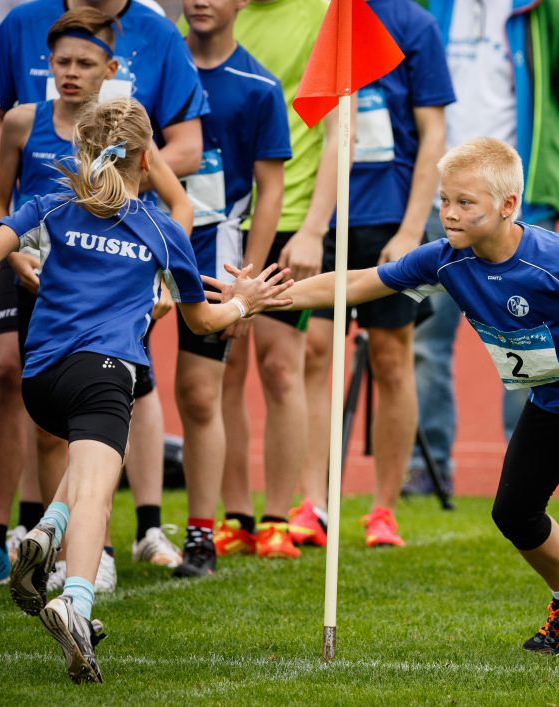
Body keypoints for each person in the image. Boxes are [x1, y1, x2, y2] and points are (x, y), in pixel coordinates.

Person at [225, 136, 559, 670]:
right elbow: (358, 281)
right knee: (513, 510)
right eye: (444, 201)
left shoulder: (552, 258)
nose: (449, 214)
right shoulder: (446, 260)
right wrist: (261, 299)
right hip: (553, 394)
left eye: (465, 203)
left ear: (508, 207)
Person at [3, 96, 292, 684]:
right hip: (106, 373)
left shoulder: (51, 203)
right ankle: (76, 604)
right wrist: (246, 301)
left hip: (40, 379)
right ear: (146, 157)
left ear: (80, 151)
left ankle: (41, 534)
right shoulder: (162, 230)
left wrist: (19, 260)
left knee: (91, 463)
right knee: (95, 491)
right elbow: (203, 323)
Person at [0, 0, 209, 591]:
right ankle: (67, 553)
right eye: (60, 60)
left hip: (105, 310)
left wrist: (161, 266)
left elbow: (179, 201)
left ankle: (80, 534)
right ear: (46, 65)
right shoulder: (27, 128)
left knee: (103, 420)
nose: (70, 71)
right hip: (58, 295)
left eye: (84, 61)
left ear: (109, 68)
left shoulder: (114, 149)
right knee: (92, 432)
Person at [404, 0, 559, 495]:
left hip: (520, 198)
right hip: (438, 194)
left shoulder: (551, 8)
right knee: (427, 339)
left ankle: (531, 462)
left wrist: (541, 155)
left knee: (534, 337)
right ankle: (429, 466)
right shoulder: (431, 6)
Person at [296, 0, 453, 549]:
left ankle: (383, 509)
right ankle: (311, 502)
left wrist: (413, 230)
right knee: (316, 349)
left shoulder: (416, 24)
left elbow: (434, 133)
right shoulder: (331, 16)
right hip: (334, 213)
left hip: (392, 217)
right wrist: (312, 226)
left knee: (391, 356)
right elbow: (325, 126)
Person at [212, 0, 336, 561]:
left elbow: (340, 134)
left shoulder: (321, 13)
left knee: (282, 367)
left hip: (290, 223)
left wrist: (313, 229)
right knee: (224, 369)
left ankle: (278, 519)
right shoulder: (212, 18)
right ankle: (235, 516)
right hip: (223, 219)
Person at [171, 0, 290, 576]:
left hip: (214, 260)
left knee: (199, 393)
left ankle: (199, 535)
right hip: (136, 249)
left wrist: (249, 278)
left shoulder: (258, 86)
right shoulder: (154, 67)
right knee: (114, 381)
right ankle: (112, 533)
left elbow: (271, 189)